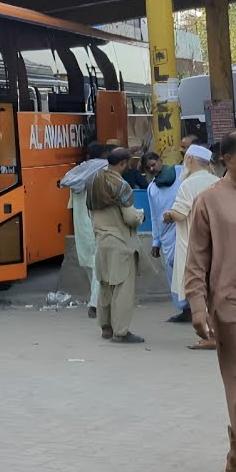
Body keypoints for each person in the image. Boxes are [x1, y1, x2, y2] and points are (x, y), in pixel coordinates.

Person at [184, 127, 236, 472]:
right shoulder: (210, 201)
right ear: (227, 159)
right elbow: (197, 259)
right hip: (232, 303)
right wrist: (198, 306)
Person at [87, 147, 146, 344]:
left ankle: (106, 327)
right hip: (121, 244)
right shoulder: (121, 184)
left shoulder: (93, 181)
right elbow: (129, 218)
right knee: (122, 289)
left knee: (105, 285)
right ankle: (121, 331)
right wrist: (140, 215)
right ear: (123, 163)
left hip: (101, 242)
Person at [166, 144, 219, 350]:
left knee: (199, 291)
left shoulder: (188, 184)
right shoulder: (217, 181)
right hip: (215, 243)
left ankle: (210, 335)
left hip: (193, 245)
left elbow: (180, 214)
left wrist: (168, 215)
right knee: (213, 290)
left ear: (190, 160)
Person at [59, 142, 109, 317]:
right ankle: (95, 304)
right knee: (98, 265)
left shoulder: (77, 174)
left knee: (89, 265)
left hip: (80, 225)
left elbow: (71, 206)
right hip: (95, 223)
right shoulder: (102, 171)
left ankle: (94, 299)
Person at [142, 150, 185, 322]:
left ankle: (197, 309)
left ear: (160, 160)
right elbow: (154, 215)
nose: (153, 168)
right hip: (167, 238)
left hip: (185, 230)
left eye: (154, 163)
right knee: (173, 274)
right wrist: (156, 241)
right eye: (148, 167)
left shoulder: (181, 172)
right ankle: (184, 309)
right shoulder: (152, 188)